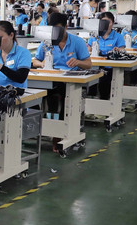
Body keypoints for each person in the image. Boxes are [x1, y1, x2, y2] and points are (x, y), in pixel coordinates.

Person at [32, 13, 92, 148]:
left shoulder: (77, 42)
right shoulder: (46, 42)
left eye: (58, 29)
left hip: (69, 82)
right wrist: (43, 64)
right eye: (52, 30)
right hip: (49, 79)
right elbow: (35, 61)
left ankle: (59, 135)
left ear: (66, 27)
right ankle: (38, 128)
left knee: (66, 99)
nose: (55, 33)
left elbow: (89, 64)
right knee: (33, 96)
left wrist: (78, 62)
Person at [87, 12, 125, 100]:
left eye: (109, 22)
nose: (107, 25)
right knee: (91, 79)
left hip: (110, 67)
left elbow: (122, 50)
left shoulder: (118, 37)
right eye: (104, 22)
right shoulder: (94, 36)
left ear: (113, 23)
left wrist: (117, 50)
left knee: (105, 80)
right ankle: (91, 101)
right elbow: (88, 50)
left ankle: (104, 101)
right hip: (95, 66)